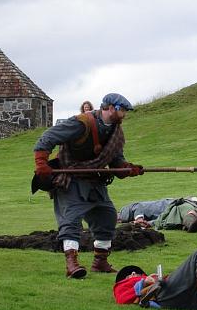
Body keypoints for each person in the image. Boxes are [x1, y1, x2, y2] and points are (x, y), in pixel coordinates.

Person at [33, 93, 144, 279]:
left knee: (107, 217)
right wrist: (41, 164)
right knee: (71, 220)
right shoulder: (81, 122)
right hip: (71, 179)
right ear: (110, 108)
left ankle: (100, 262)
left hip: (95, 181)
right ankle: (71, 264)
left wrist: (128, 169)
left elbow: (116, 161)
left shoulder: (115, 132)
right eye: (122, 110)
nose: (124, 114)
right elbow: (47, 137)